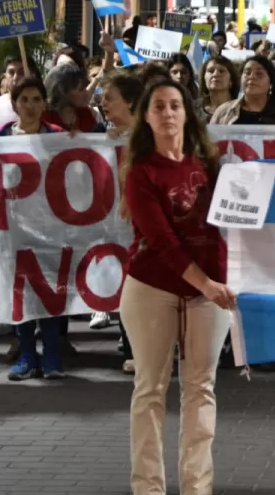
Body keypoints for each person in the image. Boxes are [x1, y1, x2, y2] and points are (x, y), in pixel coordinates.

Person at [120, 79, 235, 495]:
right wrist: (207, 285)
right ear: (146, 117)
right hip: (152, 288)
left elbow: (235, 228)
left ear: (187, 113)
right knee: (150, 389)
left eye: (174, 105)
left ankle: (196, 487)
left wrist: (225, 282)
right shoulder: (141, 173)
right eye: (158, 107)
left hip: (209, 294)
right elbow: (163, 242)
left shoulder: (212, 167)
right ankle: (148, 488)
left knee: (201, 389)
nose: (167, 113)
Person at [0, 79, 66, 380]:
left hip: (51, 228)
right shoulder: (0, 136)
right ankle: (26, 355)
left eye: (37, 99)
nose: (31, 105)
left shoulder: (59, 137)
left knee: (49, 292)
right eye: (25, 99)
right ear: (14, 104)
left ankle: (52, 355)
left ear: (45, 103)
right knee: (21, 294)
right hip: (14, 229)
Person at [95, 70, 146, 362]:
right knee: (128, 290)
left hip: (145, 226)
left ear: (128, 102)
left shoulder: (152, 136)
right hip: (118, 228)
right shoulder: (101, 138)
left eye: (109, 99)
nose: (103, 103)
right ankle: (133, 352)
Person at [210, 55, 275, 126]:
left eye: (259, 74)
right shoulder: (223, 112)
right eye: (247, 73)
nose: (251, 77)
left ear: (271, 83)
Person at [43, 61, 102, 133]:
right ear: (63, 92)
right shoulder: (44, 117)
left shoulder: (86, 114)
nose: (86, 92)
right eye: (81, 89)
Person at [0, 56, 41, 127]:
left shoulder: (42, 106)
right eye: (11, 72)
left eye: (21, 72)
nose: (15, 77)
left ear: (32, 75)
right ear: (5, 76)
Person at [198, 57, 239, 122]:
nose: (215, 74)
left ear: (231, 81)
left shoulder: (239, 108)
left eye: (221, 71)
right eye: (211, 71)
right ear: (204, 79)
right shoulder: (192, 109)